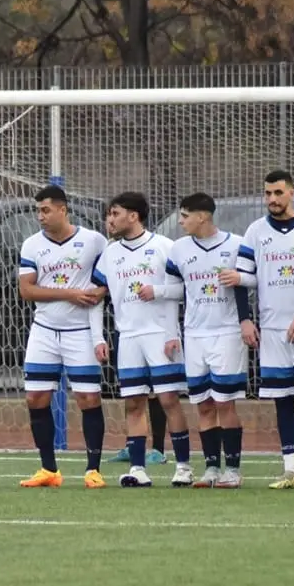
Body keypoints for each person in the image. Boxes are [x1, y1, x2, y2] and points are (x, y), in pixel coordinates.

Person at [237, 170, 294, 489]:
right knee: (282, 399)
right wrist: (245, 319)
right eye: (268, 194)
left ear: (292, 192)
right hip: (272, 330)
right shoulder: (255, 231)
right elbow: (240, 279)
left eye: (278, 193)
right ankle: (290, 469)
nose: (272, 199)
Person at [95, 191, 194, 487]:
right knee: (134, 403)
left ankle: (184, 467)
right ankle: (137, 469)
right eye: (109, 214)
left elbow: (186, 289)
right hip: (129, 337)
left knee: (168, 400)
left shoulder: (165, 247)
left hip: (161, 335)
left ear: (133, 216)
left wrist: (158, 292)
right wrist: (97, 336)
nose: (109, 220)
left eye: (115, 214)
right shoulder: (110, 253)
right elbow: (96, 297)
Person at [16, 185, 111, 488]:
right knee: (35, 397)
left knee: (88, 398)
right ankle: (49, 470)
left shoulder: (93, 241)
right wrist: (69, 292)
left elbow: (104, 282)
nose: (40, 216)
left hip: (80, 332)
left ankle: (93, 470)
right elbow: (27, 290)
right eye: (37, 211)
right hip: (43, 331)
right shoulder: (31, 245)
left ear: (63, 210)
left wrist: (98, 294)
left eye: (45, 210)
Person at [168, 194, 249, 488]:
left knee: (224, 402)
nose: (181, 221)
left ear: (202, 216)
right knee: (202, 404)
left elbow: (247, 284)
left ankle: (233, 471)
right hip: (194, 334)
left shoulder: (236, 244)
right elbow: (174, 291)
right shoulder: (178, 250)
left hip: (226, 333)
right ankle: (212, 468)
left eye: (185, 215)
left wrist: (245, 320)